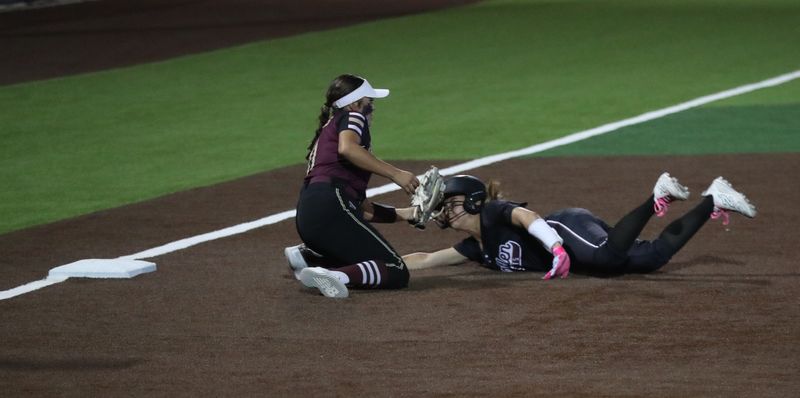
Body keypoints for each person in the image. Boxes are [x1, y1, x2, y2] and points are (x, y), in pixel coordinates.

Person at [401, 173, 757, 277]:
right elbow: (427, 259)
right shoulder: (475, 248)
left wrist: (554, 246)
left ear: (475, 201)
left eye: (450, 203)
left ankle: (657, 197)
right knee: (651, 259)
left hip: (565, 226)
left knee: (605, 258)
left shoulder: (493, 213)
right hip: (568, 249)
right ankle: (715, 198)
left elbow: (528, 218)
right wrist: (377, 266)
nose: (444, 211)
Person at [285, 74, 421, 299]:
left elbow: (362, 210)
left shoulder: (329, 132)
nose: (372, 109)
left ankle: (309, 256)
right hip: (330, 206)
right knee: (395, 270)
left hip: (311, 214)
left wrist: (407, 214)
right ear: (354, 103)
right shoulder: (351, 116)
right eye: (370, 102)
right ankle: (336, 276)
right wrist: (396, 174)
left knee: (364, 261)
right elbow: (348, 148)